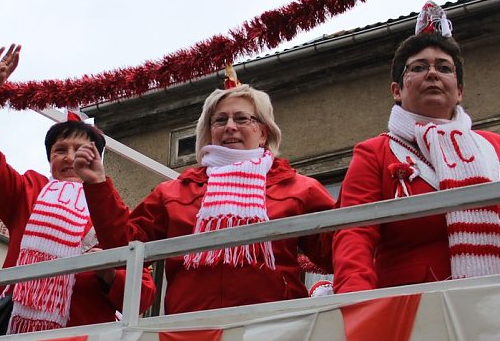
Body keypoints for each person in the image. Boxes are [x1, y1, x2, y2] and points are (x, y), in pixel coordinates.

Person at [332, 2, 500, 293]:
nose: (433, 73)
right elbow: (354, 236)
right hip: (412, 317)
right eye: (419, 67)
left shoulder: (498, 147)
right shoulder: (375, 153)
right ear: (396, 90)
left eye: (444, 68)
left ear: (460, 91)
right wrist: (358, 304)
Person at [73, 82, 335, 314]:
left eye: (242, 119)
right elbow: (124, 244)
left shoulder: (299, 188)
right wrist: (97, 184)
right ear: (209, 132)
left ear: (263, 132)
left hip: (274, 327)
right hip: (189, 330)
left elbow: (337, 249)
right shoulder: (173, 191)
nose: (230, 126)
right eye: (220, 120)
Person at [0, 45, 155, 334]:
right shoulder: (29, 190)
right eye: (59, 150)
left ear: (98, 160)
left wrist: (108, 273)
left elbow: (142, 294)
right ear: (49, 159)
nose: (69, 157)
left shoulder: (111, 208)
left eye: (79, 149)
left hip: (81, 338)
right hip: (12, 333)